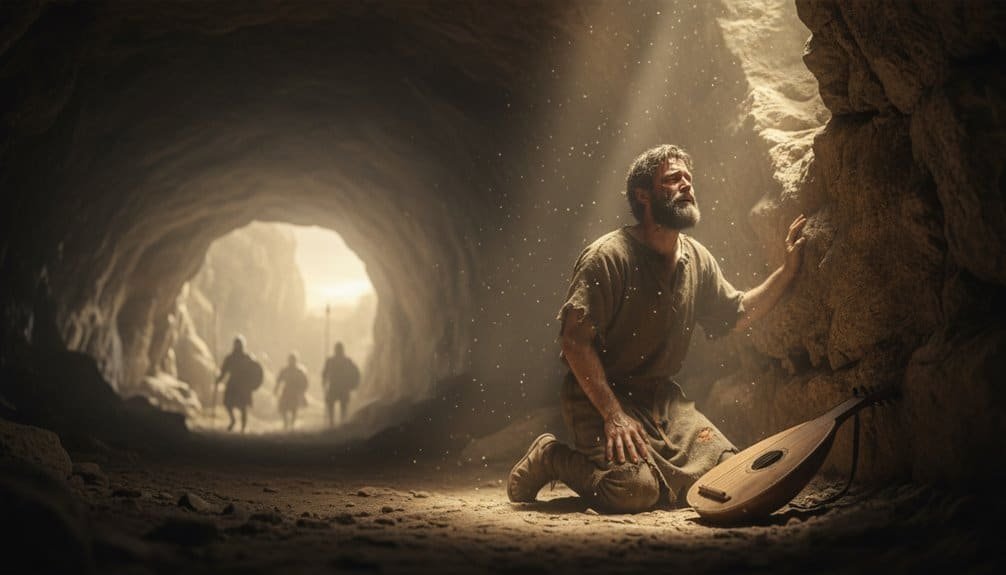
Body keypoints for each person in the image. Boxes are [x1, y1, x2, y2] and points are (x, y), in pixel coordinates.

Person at [507, 144, 807, 513]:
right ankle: (552, 457)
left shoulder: (697, 259)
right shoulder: (607, 257)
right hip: (600, 397)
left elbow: (738, 311)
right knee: (635, 490)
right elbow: (573, 341)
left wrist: (787, 271)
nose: (686, 185)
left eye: (688, 179)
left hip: (662, 400)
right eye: (672, 179)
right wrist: (613, 415)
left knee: (729, 470)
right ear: (643, 195)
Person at [215, 335, 263, 433]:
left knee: (243, 407)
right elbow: (224, 370)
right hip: (232, 384)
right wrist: (219, 379)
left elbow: (255, 370)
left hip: (244, 386)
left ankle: (243, 427)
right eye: (236, 344)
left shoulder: (247, 358)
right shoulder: (230, 358)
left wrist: (253, 384)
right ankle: (233, 420)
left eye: (239, 344)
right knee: (228, 403)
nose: (238, 346)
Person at [322, 342, 360, 428]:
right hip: (337, 387)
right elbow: (325, 373)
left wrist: (354, 384)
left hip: (341, 387)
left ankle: (338, 423)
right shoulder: (333, 361)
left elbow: (356, 373)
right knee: (334, 405)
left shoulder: (345, 361)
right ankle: (334, 423)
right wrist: (324, 381)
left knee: (341, 407)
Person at [275, 352, 310, 431]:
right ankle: (286, 423)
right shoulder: (285, 370)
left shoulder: (300, 371)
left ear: (296, 360)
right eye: (290, 360)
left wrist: (302, 392)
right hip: (286, 391)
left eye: (293, 360)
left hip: (295, 392)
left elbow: (305, 382)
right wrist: (276, 389)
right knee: (283, 408)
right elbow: (279, 380)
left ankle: (292, 424)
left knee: (294, 409)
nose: (291, 361)